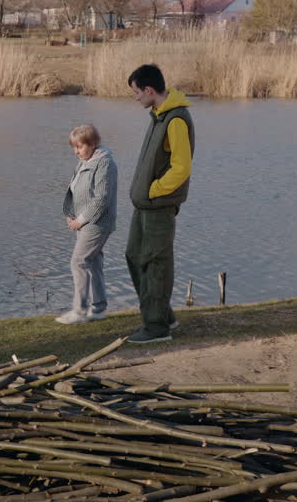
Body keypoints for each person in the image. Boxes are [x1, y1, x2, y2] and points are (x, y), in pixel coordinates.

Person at [124, 64, 194, 344]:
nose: (136, 98)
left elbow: (181, 168)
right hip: (144, 205)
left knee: (155, 262)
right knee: (134, 256)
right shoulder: (158, 116)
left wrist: (154, 190)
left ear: (149, 90)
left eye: (136, 92)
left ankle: (156, 328)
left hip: (158, 205)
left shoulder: (175, 119)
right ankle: (163, 314)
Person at [56, 124, 118, 325]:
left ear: (92, 144)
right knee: (92, 262)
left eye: (79, 147)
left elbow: (102, 199)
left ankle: (80, 311)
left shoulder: (104, 164)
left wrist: (81, 219)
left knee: (79, 261)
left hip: (97, 224)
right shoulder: (84, 162)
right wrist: (71, 215)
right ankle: (98, 309)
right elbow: (75, 190)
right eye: (74, 147)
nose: (76, 152)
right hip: (83, 223)